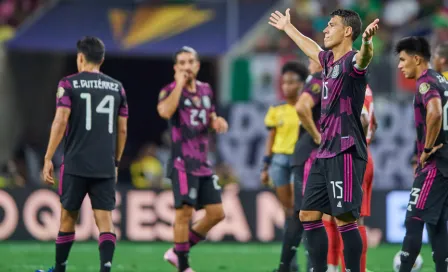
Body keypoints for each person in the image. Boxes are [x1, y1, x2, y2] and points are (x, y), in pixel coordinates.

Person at [269, 8, 379, 272]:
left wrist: (366, 43)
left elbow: (364, 58)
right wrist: (288, 28)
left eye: (331, 25)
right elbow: (311, 48)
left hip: (345, 151)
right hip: (324, 152)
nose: (326, 29)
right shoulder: (328, 62)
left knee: (344, 220)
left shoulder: (352, 61)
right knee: (308, 215)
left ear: (347, 31)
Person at [41, 36, 129, 272]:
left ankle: (59, 269)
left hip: (75, 164)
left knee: (68, 218)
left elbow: (60, 121)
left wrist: (48, 157)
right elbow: (122, 128)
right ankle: (106, 269)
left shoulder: (68, 84)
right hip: (105, 165)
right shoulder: (117, 87)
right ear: (102, 59)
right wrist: (117, 162)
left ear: (80, 57)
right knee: (105, 221)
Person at [157, 46, 229, 272]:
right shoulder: (169, 90)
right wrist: (179, 84)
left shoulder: (206, 90)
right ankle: (184, 267)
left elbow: (210, 116)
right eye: (182, 63)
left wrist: (217, 122)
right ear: (176, 68)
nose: (187, 66)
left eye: (191, 62)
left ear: (197, 65)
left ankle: (177, 251)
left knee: (217, 213)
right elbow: (165, 112)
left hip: (203, 163)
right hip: (182, 163)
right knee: (184, 213)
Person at [395, 36, 448, 272]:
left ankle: (405, 268)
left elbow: (435, 112)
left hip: (436, 163)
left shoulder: (426, 82)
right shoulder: (441, 79)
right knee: (436, 224)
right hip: (445, 160)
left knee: (414, 218)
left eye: (403, 59)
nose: (399, 65)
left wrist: (427, 149)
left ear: (417, 59)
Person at [261, 61, 308, 272]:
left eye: (292, 82)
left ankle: (310, 262)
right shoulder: (276, 109)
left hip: (300, 161)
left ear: (301, 84)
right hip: (279, 161)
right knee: (288, 212)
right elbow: (271, 138)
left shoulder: (306, 106)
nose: (287, 86)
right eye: (284, 82)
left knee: (301, 213)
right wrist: (265, 166)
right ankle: (291, 264)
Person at [339, 83, 377, 272]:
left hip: (354, 158)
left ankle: (349, 269)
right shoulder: (367, 89)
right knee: (357, 220)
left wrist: (351, 146)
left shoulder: (350, 87)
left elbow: (362, 119)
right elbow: (373, 124)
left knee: (344, 219)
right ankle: (359, 269)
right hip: (366, 156)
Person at [292, 57, 323, 272]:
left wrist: (316, 136)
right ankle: (316, 266)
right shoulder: (319, 80)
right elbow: (301, 108)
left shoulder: (319, 79)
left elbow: (302, 107)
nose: (310, 63)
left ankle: (315, 266)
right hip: (316, 154)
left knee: (307, 214)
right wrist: (318, 136)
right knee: (310, 214)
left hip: (312, 155)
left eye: (312, 59)